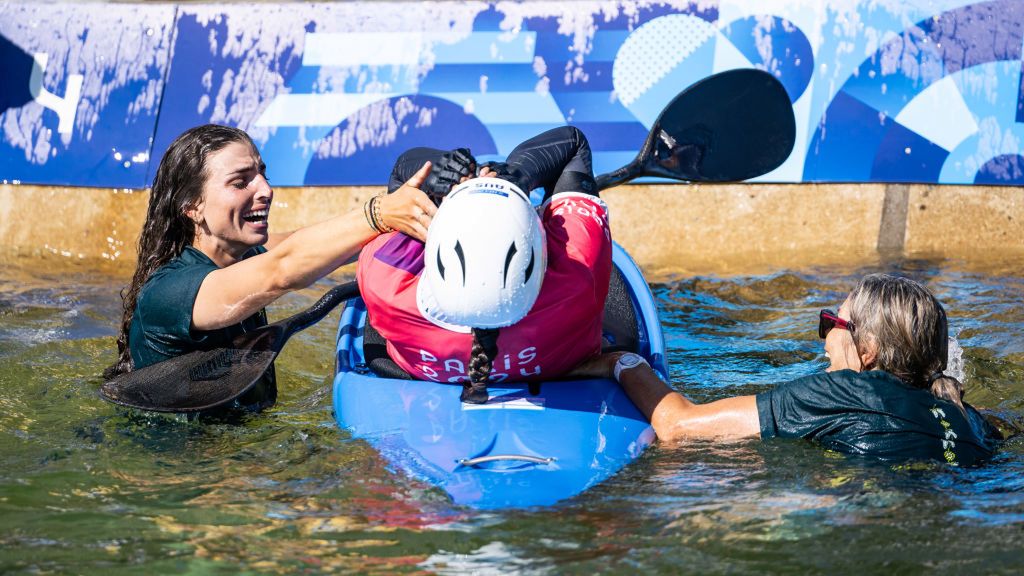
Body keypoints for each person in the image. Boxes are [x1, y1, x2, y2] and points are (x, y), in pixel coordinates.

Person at [107, 124, 438, 410]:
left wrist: (433, 195)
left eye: (263, 175)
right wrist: (379, 213)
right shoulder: (169, 293)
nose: (266, 190)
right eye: (241, 182)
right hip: (182, 466)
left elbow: (313, 244)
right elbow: (284, 268)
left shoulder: (247, 255)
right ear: (193, 206)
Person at [570, 273, 1003, 466]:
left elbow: (679, 426)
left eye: (831, 322)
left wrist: (623, 363)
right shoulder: (968, 418)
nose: (824, 337)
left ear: (866, 349)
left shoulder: (841, 392)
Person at [357, 126, 611, 403]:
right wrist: (518, 175)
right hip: (558, 365)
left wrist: (441, 176)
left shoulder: (384, 281)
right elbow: (572, 143)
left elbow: (401, 177)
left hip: (419, 369)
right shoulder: (579, 274)